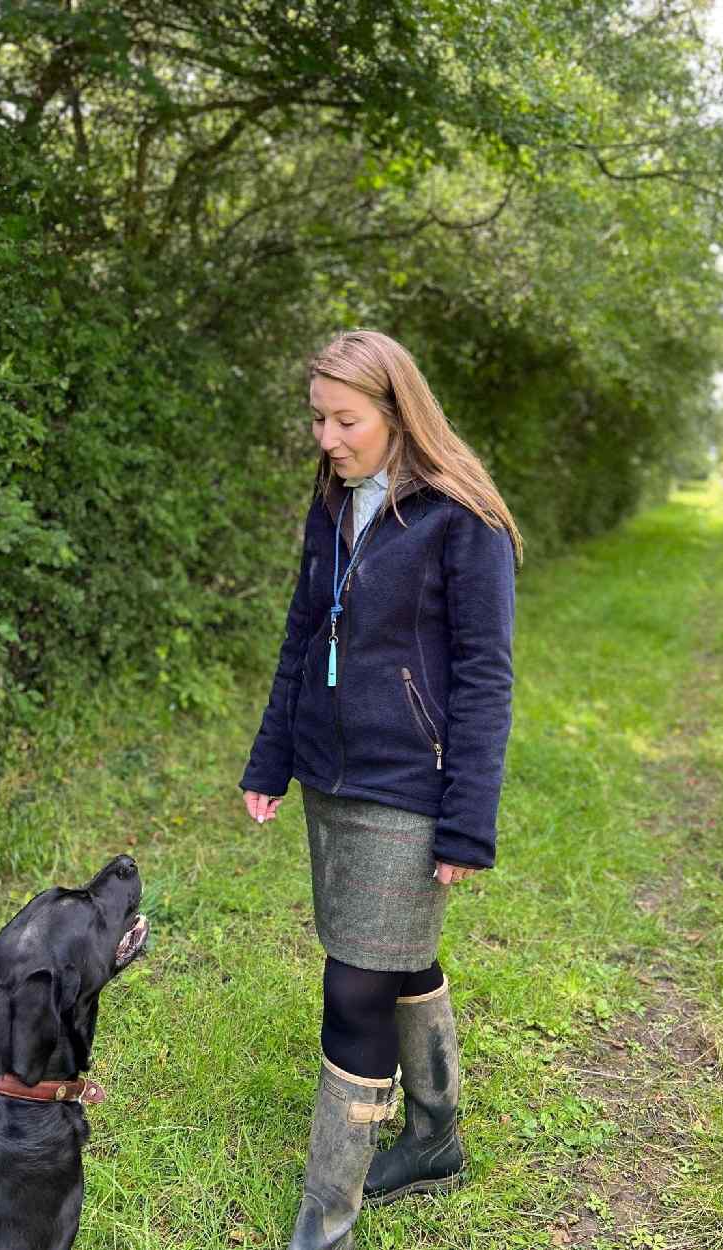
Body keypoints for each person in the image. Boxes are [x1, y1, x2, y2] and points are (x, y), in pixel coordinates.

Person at [239, 329, 521, 1250]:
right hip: (331, 775)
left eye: (345, 418)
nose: (326, 435)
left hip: (414, 785)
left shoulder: (460, 518)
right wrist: (270, 759)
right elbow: (299, 635)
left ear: (399, 414)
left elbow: (484, 673)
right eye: (318, 416)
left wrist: (467, 822)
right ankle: (435, 1136)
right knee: (393, 955)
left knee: (354, 984)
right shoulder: (333, 503)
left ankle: (326, 1225)